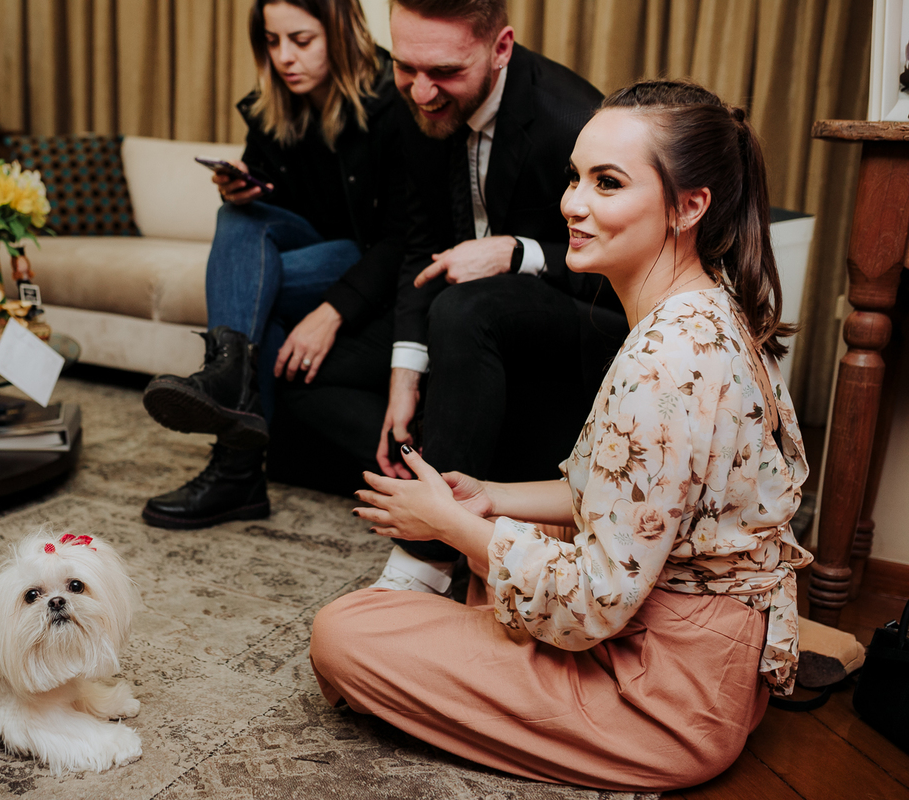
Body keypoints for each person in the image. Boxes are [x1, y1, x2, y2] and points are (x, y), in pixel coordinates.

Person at [309, 79, 814, 791]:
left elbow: (596, 601)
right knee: (503, 547)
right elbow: (615, 496)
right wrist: (486, 496)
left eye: (607, 183)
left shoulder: (663, 362)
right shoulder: (706, 309)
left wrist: (452, 527)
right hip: (709, 657)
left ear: (688, 206)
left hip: (663, 700)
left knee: (344, 632)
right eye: (575, 178)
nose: (573, 203)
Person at [278, 0, 628, 594]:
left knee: (466, 304)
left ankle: (427, 556)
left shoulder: (570, 117)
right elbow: (421, 246)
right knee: (303, 377)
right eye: (405, 66)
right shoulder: (414, 102)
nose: (419, 92)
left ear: (500, 48)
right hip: (462, 326)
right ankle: (458, 472)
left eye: (443, 72)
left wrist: (519, 252)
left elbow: (626, 268)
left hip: (581, 316)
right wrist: (405, 375)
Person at [140, 0, 406, 530]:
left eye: (301, 41)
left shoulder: (393, 100)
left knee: (257, 293)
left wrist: (333, 310)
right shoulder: (273, 106)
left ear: (342, 32)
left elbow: (407, 235)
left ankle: (235, 456)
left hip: (363, 259)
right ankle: (234, 388)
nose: (284, 57)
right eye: (272, 41)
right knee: (239, 219)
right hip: (302, 253)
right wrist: (242, 184)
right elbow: (268, 196)